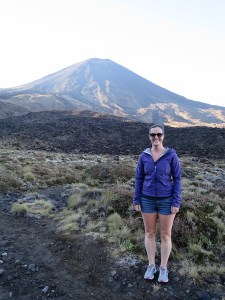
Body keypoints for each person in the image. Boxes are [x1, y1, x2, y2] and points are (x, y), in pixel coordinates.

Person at [133, 124, 182, 283]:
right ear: (149, 137)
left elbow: (178, 179)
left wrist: (176, 201)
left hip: (167, 200)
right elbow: (139, 178)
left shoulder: (171, 155)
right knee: (149, 233)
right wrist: (137, 199)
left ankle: (163, 268)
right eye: (153, 135)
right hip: (147, 199)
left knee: (165, 235)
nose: (156, 137)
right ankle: (151, 265)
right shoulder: (144, 156)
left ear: (163, 136)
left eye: (159, 134)